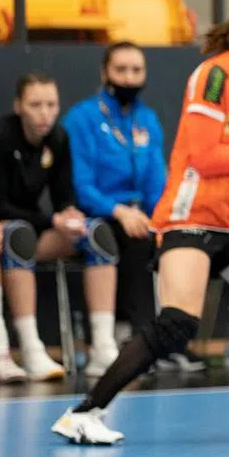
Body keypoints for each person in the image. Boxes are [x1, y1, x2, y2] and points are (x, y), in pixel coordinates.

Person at [50, 0, 229, 446]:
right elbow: (204, 153)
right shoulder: (215, 75)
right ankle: (83, 412)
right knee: (179, 322)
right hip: (189, 217)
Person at [0, 73, 122, 382]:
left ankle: (103, 348)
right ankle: (30, 349)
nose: (45, 113)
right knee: (18, 234)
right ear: (19, 107)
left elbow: (63, 197)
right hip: (7, 227)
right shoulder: (2, 136)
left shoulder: (59, 138)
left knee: (96, 234)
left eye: (51, 104)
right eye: (35, 105)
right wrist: (53, 220)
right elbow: (0, 204)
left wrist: (70, 216)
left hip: (34, 228)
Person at [63, 42, 166, 351]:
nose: (129, 78)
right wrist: (119, 211)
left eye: (136, 70)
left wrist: (162, 221)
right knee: (132, 236)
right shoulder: (82, 118)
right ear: (104, 72)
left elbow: (157, 182)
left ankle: (170, 336)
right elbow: (81, 185)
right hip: (98, 214)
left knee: (171, 238)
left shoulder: (147, 120)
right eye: (120, 70)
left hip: (140, 215)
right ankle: (143, 340)